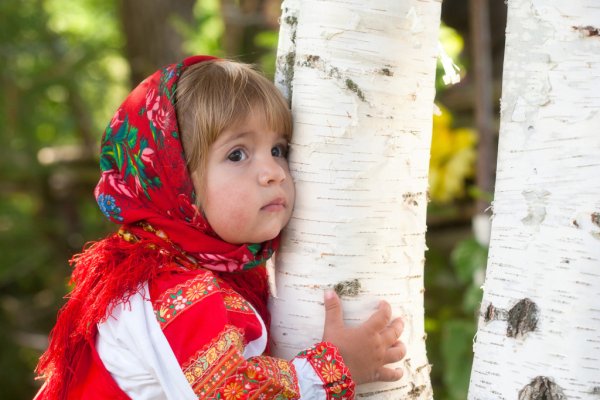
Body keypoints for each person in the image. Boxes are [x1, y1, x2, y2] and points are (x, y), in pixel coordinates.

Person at [34, 55, 406, 399]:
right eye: (237, 154)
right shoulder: (166, 290)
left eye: (278, 149)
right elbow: (229, 391)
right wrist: (338, 367)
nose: (274, 173)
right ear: (175, 181)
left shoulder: (215, 271)